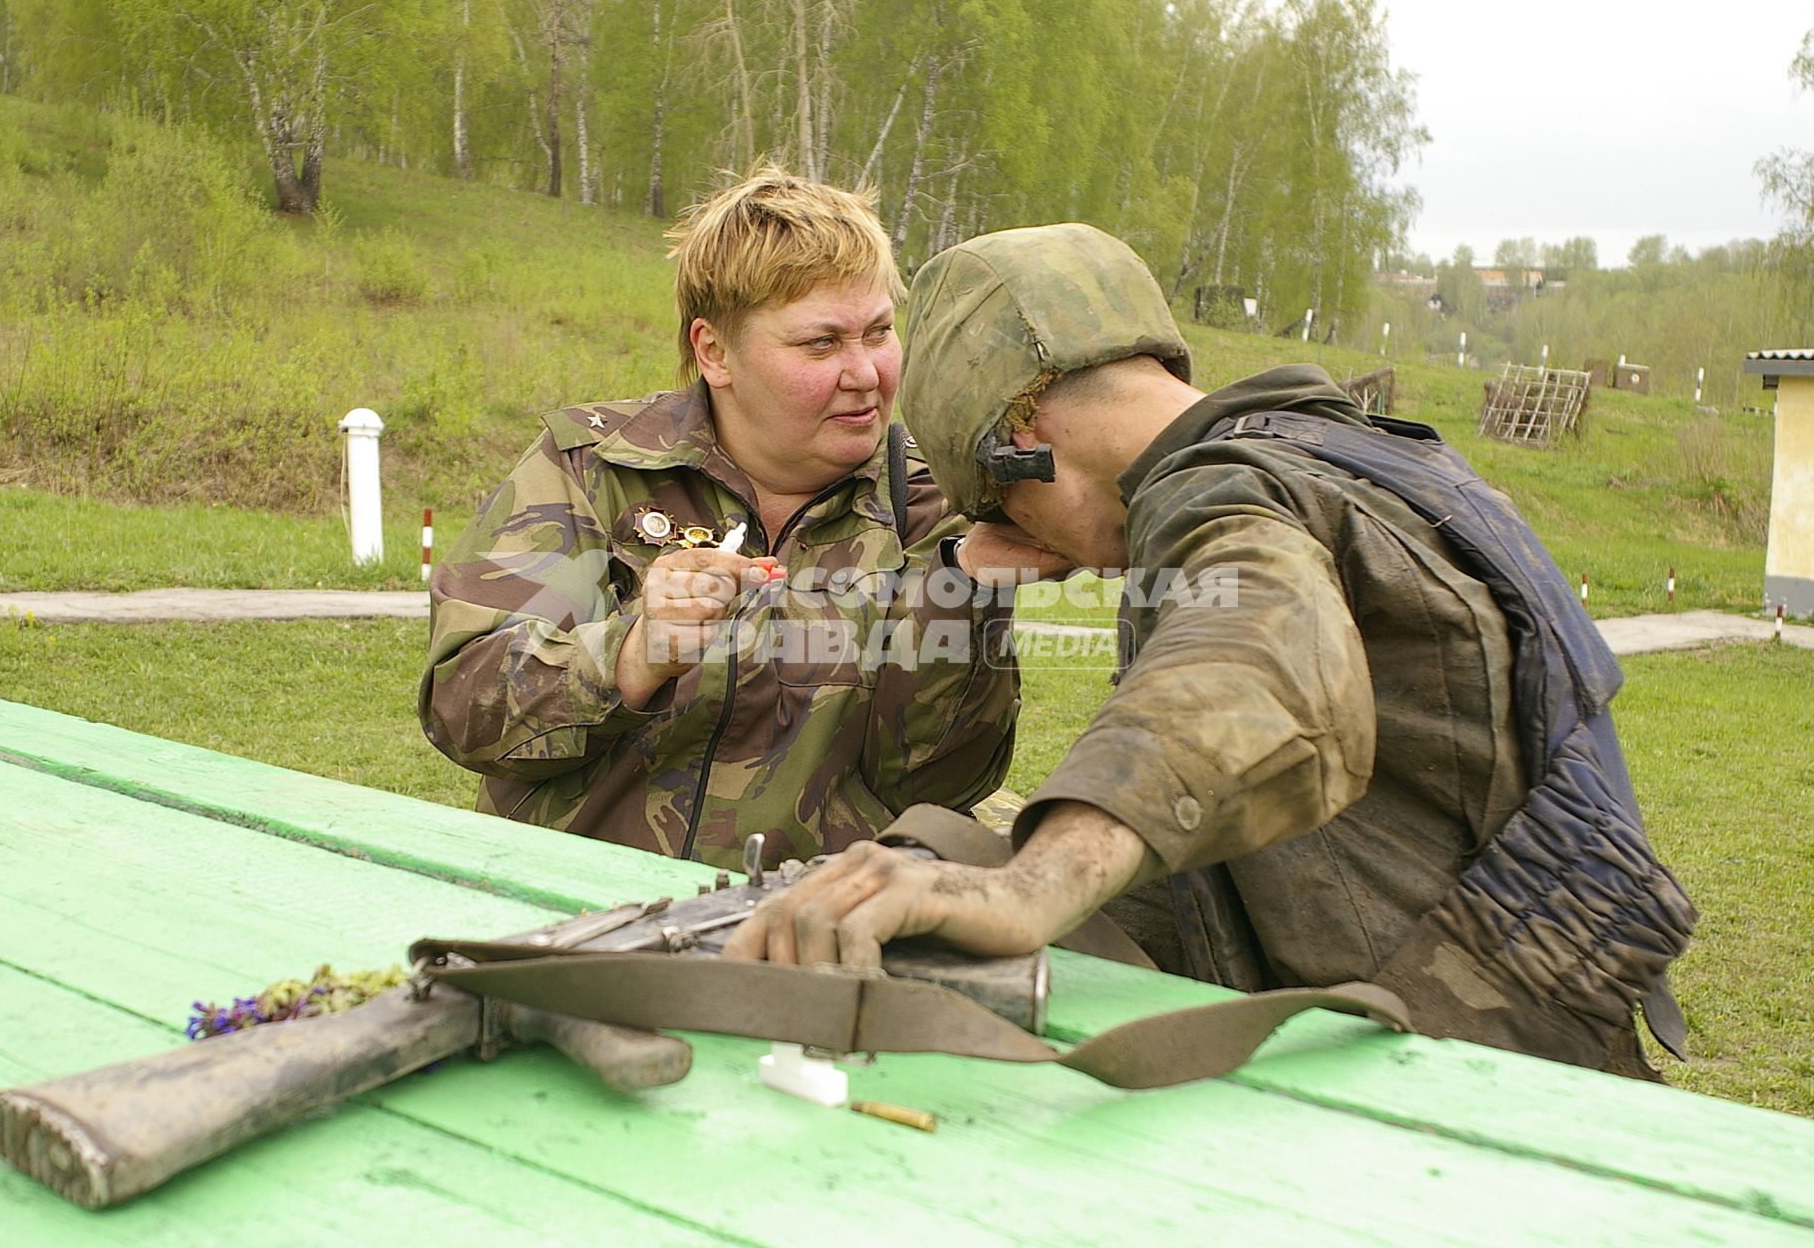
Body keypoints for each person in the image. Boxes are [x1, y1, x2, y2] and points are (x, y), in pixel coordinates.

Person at [726, 222, 1695, 1077]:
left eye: (1001, 500)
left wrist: (1027, 883)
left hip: (1468, 1092)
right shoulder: (1362, 455)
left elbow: (1262, 660)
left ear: (1024, 427)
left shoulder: (1214, 493)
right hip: (1554, 1035)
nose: (1026, 537)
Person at [419, 166, 1025, 871]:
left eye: (879, 332)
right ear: (714, 351)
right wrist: (633, 654)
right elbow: (466, 707)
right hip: (572, 912)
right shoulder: (596, 471)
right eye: (820, 344)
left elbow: (942, 783)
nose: (865, 373)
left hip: (804, 934)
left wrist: (967, 585)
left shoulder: (929, 509)